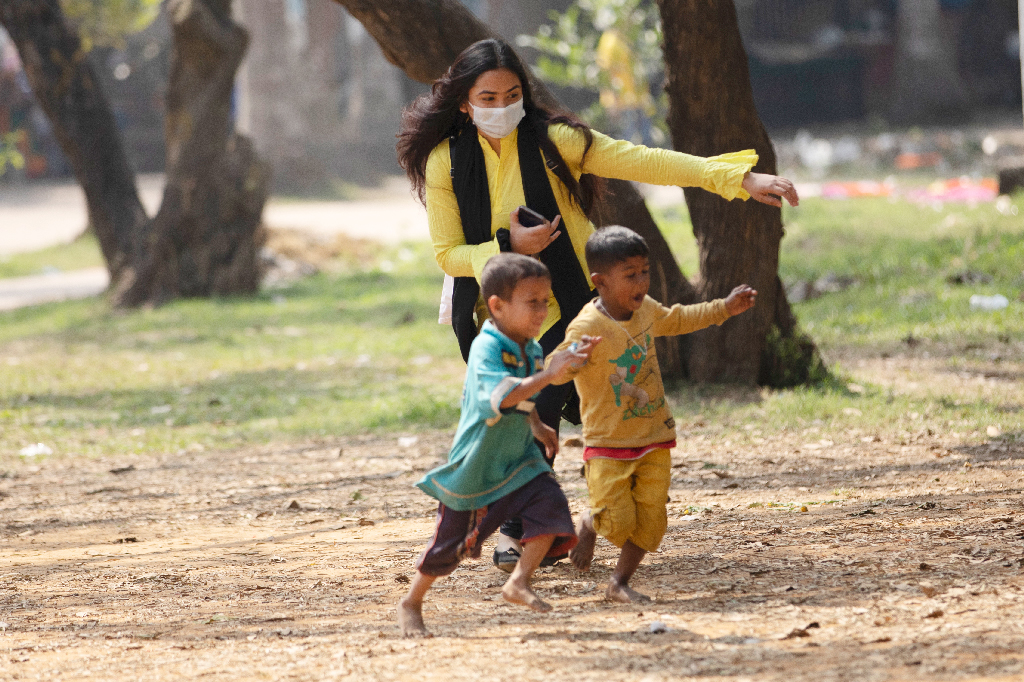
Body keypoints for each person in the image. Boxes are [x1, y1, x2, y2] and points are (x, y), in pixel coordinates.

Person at [396, 38, 798, 572]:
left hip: (571, 307)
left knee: (556, 411)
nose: (501, 107)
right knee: (519, 417)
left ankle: (552, 526)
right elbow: (448, 255)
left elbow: (643, 160)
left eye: (512, 94)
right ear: (464, 104)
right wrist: (507, 247)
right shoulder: (446, 162)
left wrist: (737, 179)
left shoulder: (555, 140)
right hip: (497, 320)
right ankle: (530, 530)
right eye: (487, 98)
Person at [549, 226, 756, 603]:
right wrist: (566, 363)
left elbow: (678, 318)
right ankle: (590, 522)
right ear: (600, 282)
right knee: (617, 520)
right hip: (607, 442)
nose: (642, 281)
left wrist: (723, 307)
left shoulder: (644, 310)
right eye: (631, 274)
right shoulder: (587, 327)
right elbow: (556, 367)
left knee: (650, 522)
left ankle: (619, 582)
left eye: (644, 271)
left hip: (654, 436)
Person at [398, 253, 599, 637]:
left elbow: (523, 401)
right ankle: (412, 601)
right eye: (532, 301)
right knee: (449, 546)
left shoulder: (531, 348)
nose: (542, 310)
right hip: (478, 464)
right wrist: (549, 375)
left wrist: (538, 427)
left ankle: (519, 581)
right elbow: (503, 397)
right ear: (497, 306)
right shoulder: (486, 347)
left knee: (551, 509)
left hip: (520, 459)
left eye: (546, 300)